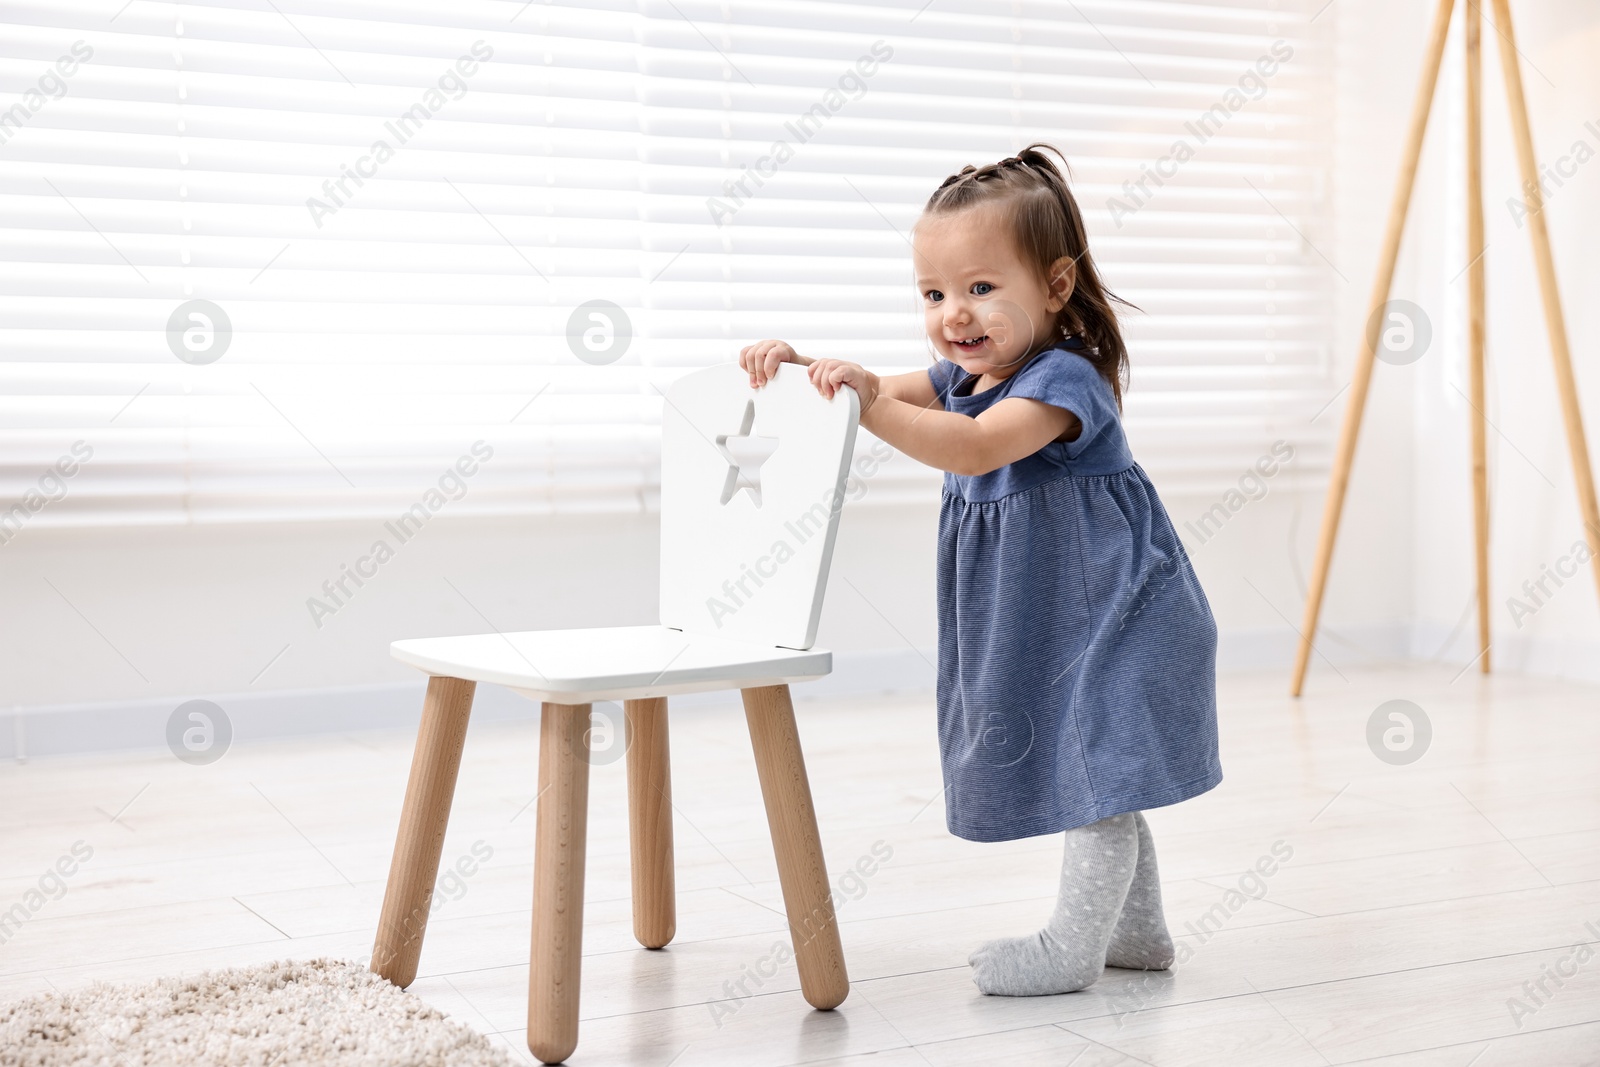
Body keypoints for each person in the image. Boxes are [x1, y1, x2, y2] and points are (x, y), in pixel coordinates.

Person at [736, 143, 1221, 997]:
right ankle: (1139, 934)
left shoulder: (1062, 379)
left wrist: (872, 402)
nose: (954, 314)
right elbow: (864, 394)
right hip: (1059, 617)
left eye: (980, 288)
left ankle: (1072, 948)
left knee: (1095, 775)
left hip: (1122, 612)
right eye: (933, 294)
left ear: (1057, 286)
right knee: (1102, 771)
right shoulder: (968, 371)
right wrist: (805, 370)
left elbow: (973, 448)